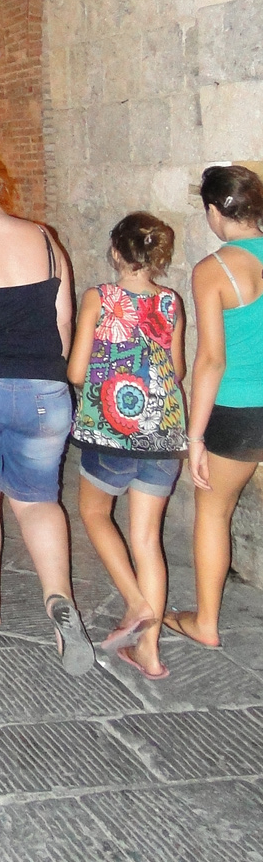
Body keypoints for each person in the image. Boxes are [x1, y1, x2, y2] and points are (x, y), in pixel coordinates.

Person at [0, 153, 92, 675]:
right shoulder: (45, 239)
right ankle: (60, 603)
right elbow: (64, 320)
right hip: (44, 390)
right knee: (38, 501)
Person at [69, 213, 187, 680]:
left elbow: (77, 371)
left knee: (95, 514)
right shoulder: (172, 302)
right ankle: (150, 654)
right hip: (164, 431)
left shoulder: (100, 297)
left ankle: (137, 604)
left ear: (116, 252)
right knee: (147, 540)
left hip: (112, 432)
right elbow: (176, 371)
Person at [165, 165, 263, 648]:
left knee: (213, 511)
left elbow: (210, 360)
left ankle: (205, 623)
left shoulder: (215, 269)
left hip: (240, 412)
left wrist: (195, 435)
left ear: (214, 210)